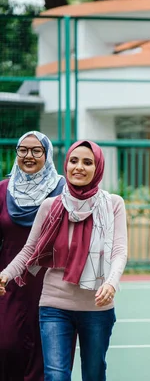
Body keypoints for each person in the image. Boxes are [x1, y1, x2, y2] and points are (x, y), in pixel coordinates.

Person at [0, 140, 128, 381]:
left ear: (98, 167)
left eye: (87, 162)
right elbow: (30, 250)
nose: (79, 167)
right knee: (56, 376)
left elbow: (119, 251)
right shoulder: (51, 206)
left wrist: (111, 283)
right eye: (73, 161)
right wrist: (5, 274)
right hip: (54, 306)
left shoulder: (113, 204)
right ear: (66, 165)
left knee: (94, 374)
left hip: (96, 307)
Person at [0, 131, 65, 380]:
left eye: (36, 150)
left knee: (46, 350)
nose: (29, 156)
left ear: (46, 155)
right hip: (8, 281)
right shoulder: (3, 190)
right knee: (7, 344)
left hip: (49, 281)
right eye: (23, 150)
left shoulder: (61, 189)